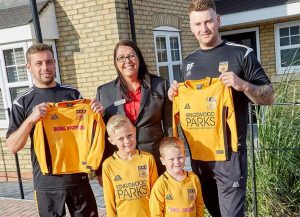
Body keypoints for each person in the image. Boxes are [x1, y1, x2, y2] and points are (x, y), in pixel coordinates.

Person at [168, 0, 275, 216]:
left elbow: (269, 96)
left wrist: (242, 85)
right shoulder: (187, 63)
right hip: (199, 156)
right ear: (191, 26)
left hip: (230, 156)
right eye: (197, 24)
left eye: (208, 21)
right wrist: (175, 94)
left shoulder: (241, 54)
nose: (204, 29)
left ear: (218, 20)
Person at [5, 43, 103, 217]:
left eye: (49, 62)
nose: (45, 67)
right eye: (39, 63)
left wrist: (97, 113)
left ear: (55, 63)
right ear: (28, 67)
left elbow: (89, 132)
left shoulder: (73, 94)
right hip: (46, 183)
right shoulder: (22, 101)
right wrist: (31, 119)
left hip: (78, 177)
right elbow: (12, 146)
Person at [96, 40, 172, 178]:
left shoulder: (160, 85)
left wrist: (172, 158)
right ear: (116, 63)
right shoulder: (104, 92)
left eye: (131, 55)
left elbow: (170, 126)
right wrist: (100, 171)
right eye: (121, 58)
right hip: (122, 165)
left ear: (139, 58)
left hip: (154, 161)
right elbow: (101, 135)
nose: (127, 61)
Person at [102, 114, 158, 217]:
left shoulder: (147, 159)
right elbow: (109, 201)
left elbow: (156, 195)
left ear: (135, 131)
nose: (127, 141)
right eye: (120, 139)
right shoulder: (108, 165)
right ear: (112, 141)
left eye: (129, 135)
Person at [149, 137, 204, 217]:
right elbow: (156, 212)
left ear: (185, 155)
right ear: (163, 161)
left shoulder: (193, 179)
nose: (176, 162)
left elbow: (199, 204)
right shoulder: (160, 185)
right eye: (171, 159)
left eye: (180, 157)